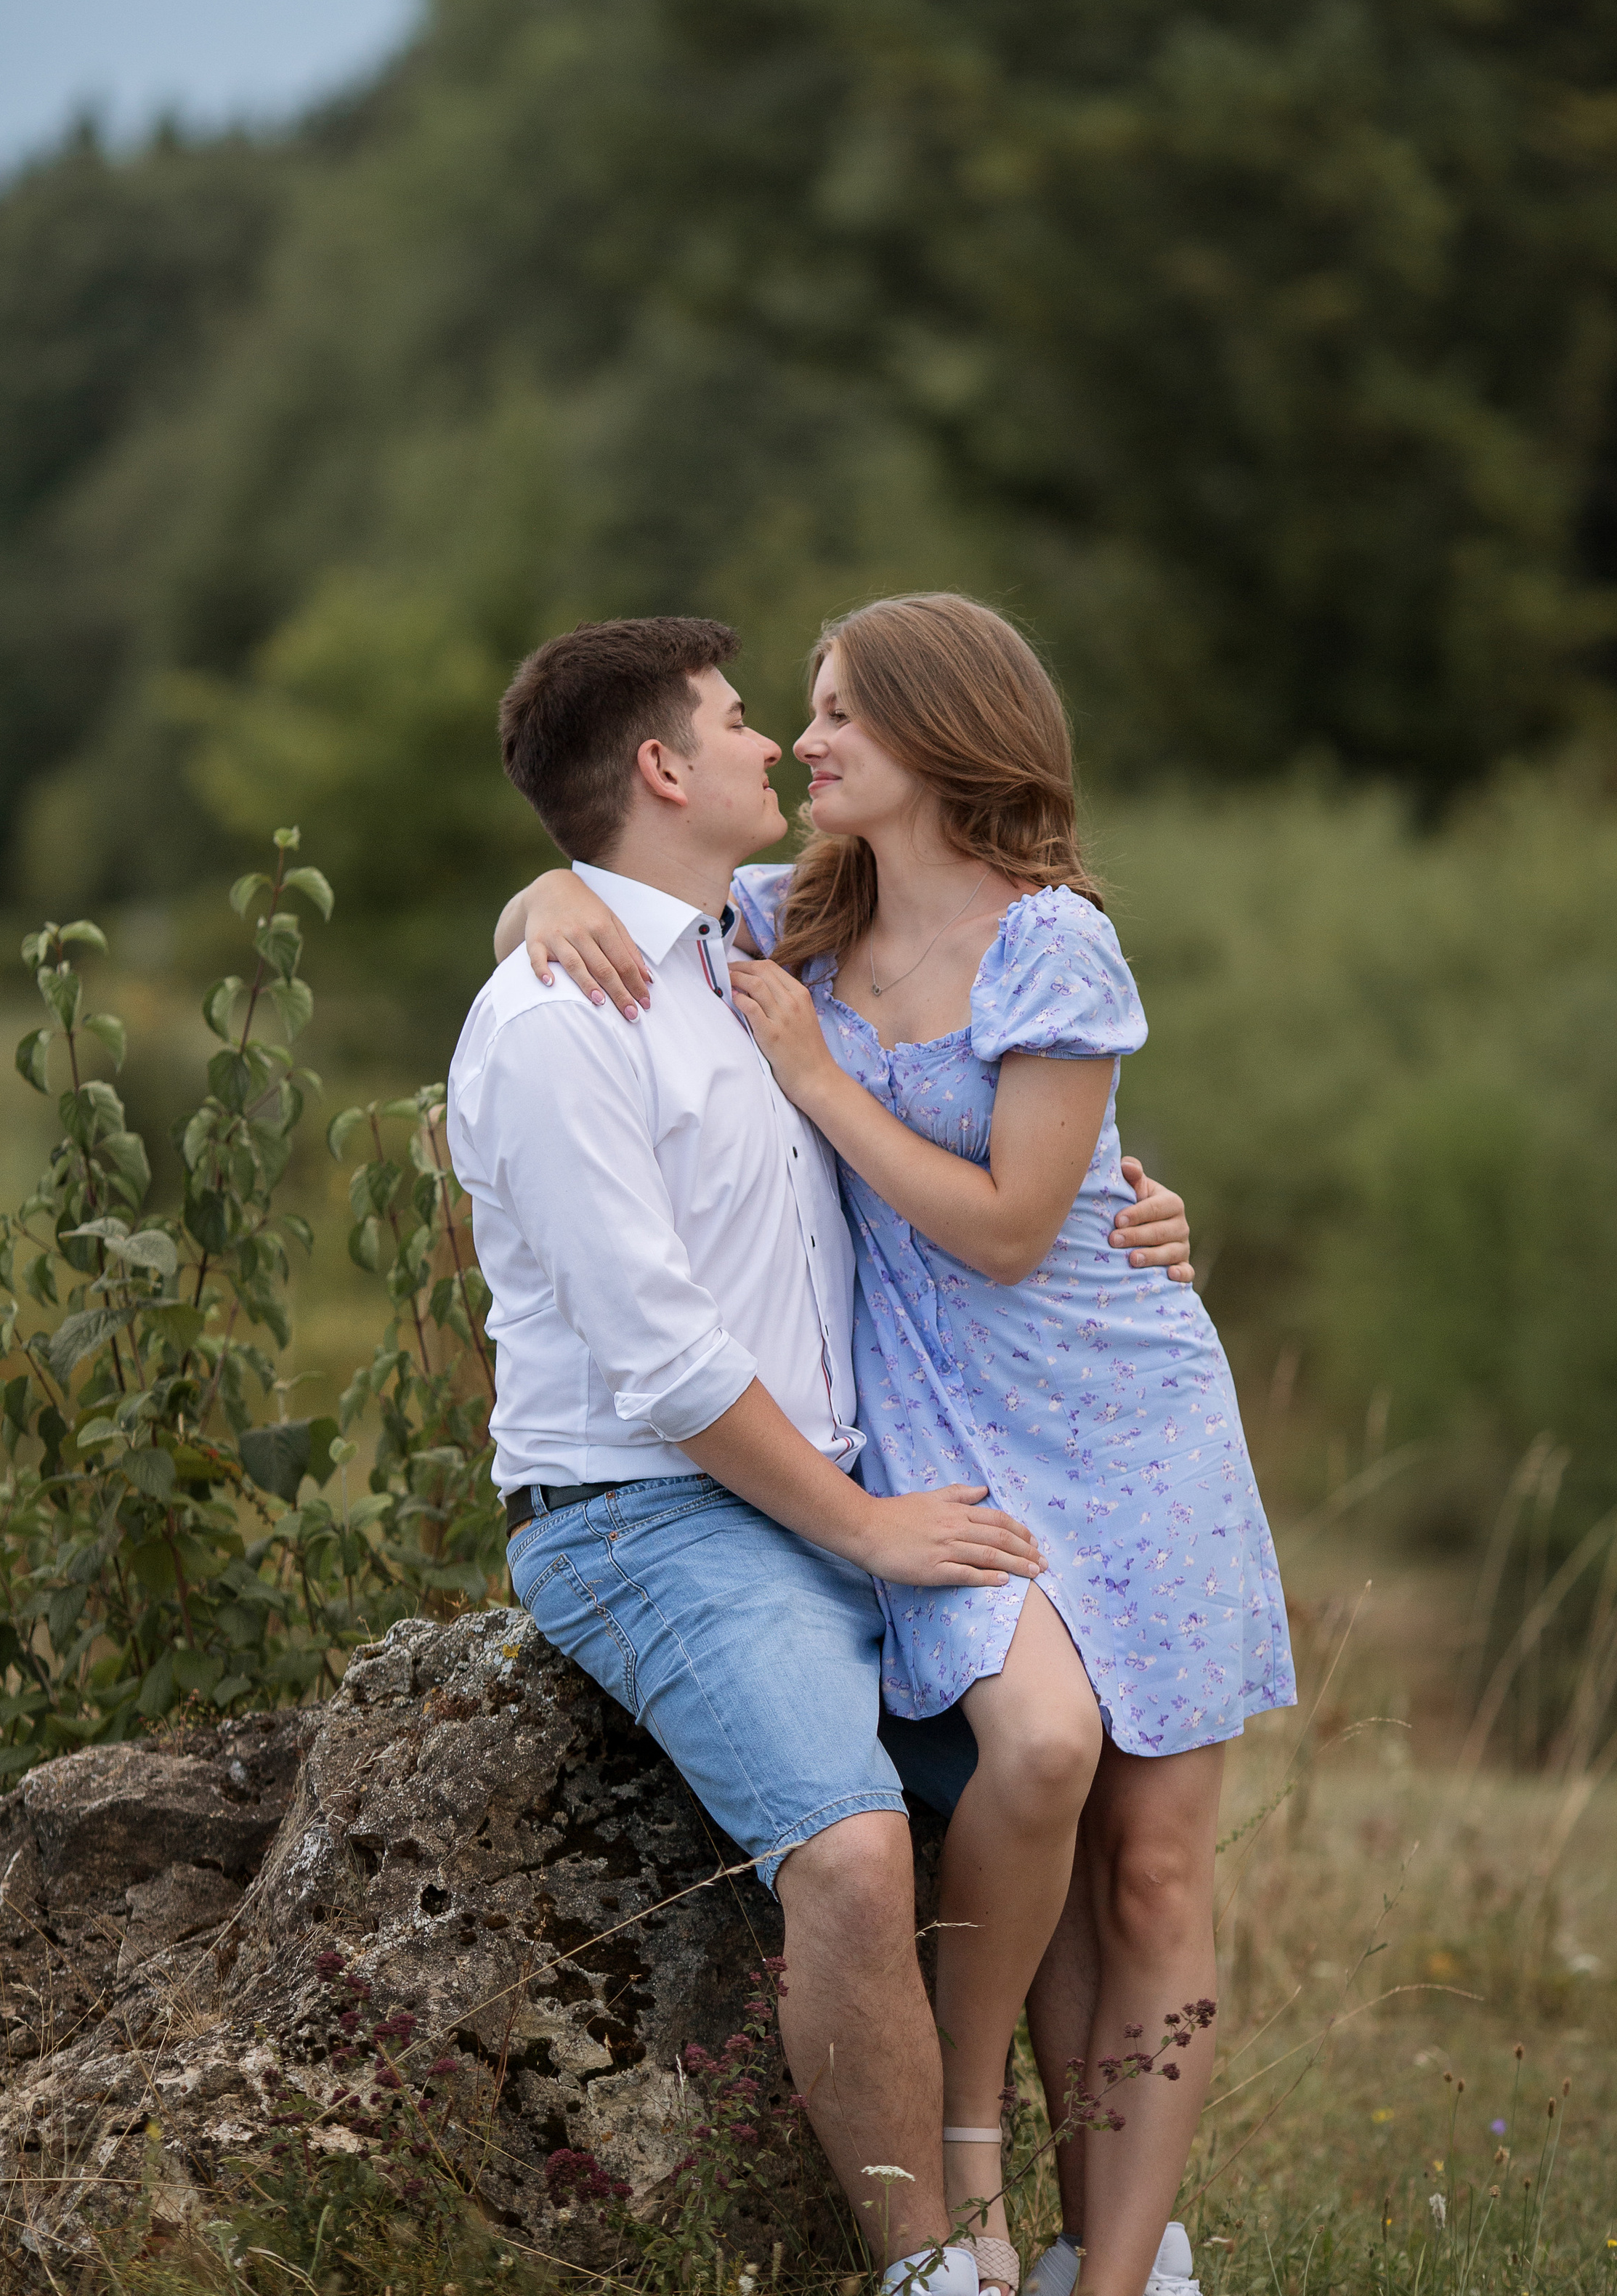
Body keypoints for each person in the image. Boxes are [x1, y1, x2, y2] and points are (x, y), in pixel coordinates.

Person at [502, 596, 1297, 2296]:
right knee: (1030, 1756)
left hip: (1116, 1406)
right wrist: (546, 885)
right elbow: (612, 874)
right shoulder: (781, 915)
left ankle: (1128, 2271)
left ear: (940, 732)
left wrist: (833, 1083)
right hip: (927, 1425)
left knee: (1144, 1860)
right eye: (773, 712)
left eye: (836, 711)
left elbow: (1023, 1218)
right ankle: (958, 2188)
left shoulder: (1033, 940)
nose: (795, 741)